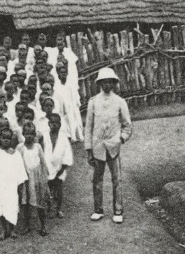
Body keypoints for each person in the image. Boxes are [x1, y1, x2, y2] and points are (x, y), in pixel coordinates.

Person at [84, 67, 132, 224]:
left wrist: (121, 139)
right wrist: (89, 150)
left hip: (113, 147)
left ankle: (118, 210)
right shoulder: (93, 102)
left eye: (109, 82)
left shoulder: (119, 102)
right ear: (99, 83)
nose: (106, 85)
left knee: (116, 179)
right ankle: (98, 209)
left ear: (113, 84)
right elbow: (89, 127)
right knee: (97, 180)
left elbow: (127, 126)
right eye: (104, 82)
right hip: (98, 146)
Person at [0, 129, 29, 240]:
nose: (6, 140)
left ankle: (12, 230)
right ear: (0, 139)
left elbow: (20, 170)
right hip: (1, 184)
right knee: (1, 206)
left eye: (8, 138)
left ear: (12, 140)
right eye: (4, 138)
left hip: (12, 185)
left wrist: (20, 186)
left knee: (13, 206)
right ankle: (4, 229)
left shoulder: (16, 154)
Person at [17, 122, 50, 236]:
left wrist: (45, 176)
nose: (29, 136)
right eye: (27, 134)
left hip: (37, 179)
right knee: (25, 203)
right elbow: (17, 164)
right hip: (26, 179)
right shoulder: (20, 148)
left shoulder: (38, 147)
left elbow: (42, 161)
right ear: (23, 134)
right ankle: (27, 225)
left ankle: (43, 225)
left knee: (40, 202)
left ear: (35, 134)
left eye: (32, 134)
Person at [40, 113, 73, 219]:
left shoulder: (63, 137)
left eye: (57, 123)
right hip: (47, 167)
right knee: (48, 190)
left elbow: (67, 153)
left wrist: (62, 168)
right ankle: (49, 207)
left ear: (60, 124)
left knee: (58, 190)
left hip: (59, 167)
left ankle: (58, 209)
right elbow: (41, 151)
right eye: (52, 122)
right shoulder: (44, 135)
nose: (54, 125)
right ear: (49, 123)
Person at [54, 63, 84, 142]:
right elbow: (59, 98)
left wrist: (76, 104)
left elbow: (75, 95)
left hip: (73, 105)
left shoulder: (71, 84)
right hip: (64, 107)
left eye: (64, 73)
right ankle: (71, 136)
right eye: (61, 73)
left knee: (76, 120)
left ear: (67, 74)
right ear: (58, 75)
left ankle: (79, 135)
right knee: (67, 121)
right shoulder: (57, 86)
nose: (63, 74)